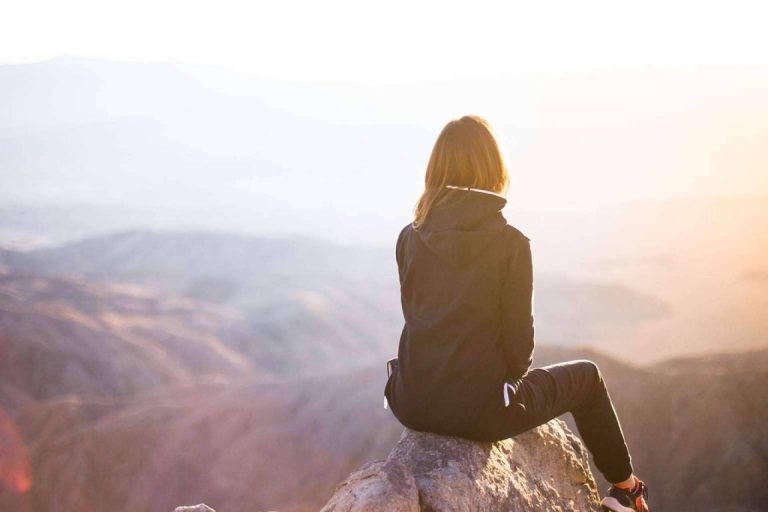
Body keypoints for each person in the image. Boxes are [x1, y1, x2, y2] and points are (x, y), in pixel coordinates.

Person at [383, 115, 650, 512]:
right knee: (588, 378)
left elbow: (418, 319)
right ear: (494, 169)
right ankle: (626, 490)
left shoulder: (410, 235)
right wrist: (497, 385)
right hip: (480, 413)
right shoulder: (510, 244)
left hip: (411, 402)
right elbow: (519, 352)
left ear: (435, 170)